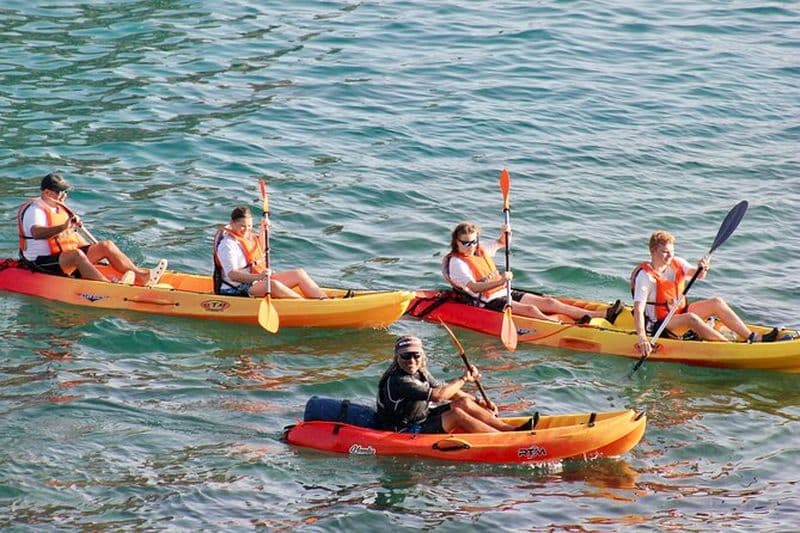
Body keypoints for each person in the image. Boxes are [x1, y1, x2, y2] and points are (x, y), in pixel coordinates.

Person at [631, 230, 778, 358]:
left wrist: (703, 267)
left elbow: (699, 275)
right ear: (653, 251)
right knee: (691, 318)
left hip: (678, 312)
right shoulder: (645, 277)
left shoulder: (677, 263)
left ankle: (752, 337)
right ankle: (730, 347)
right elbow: (638, 310)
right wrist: (642, 338)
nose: (670, 256)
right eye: (665, 252)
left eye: (672, 251)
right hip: (660, 324)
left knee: (716, 302)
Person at [442, 221, 624, 324]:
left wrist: (506, 234)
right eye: (466, 243)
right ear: (456, 242)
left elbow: (502, 243)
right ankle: (564, 325)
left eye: (474, 241)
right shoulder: (457, 263)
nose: (471, 246)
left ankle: (603, 315)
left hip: (503, 291)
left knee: (550, 302)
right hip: (487, 302)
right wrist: (500, 281)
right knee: (531, 310)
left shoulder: (480, 249)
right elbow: (473, 287)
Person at [16, 173, 167, 286]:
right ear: (47, 193)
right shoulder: (35, 211)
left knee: (106, 245)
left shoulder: (58, 206)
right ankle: (108, 287)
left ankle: (142, 277)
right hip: (40, 262)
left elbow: (72, 236)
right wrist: (63, 227)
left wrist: (94, 252)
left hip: (63, 258)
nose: (64, 196)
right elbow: (37, 233)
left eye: (65, 192)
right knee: (77, 255)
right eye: (60, 192)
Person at [376, 335, 530, 433]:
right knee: (457, 415)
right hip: (404, 429)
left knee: (463, 402)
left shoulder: (421, 371)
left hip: (422, 416)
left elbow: (448, 391)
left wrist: (479, 401)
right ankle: (501, 439)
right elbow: (439, 396)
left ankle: (509, 430)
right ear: (397, 357)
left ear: (422, 356)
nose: (411, 361)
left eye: (416, 355)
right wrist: (464, 379)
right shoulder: (399, 380)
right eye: (405, 356)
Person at [212, 206, 327, 299]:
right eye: (242, 226)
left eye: (249, 226)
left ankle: (324, 300)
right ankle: (306, 307)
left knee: (299, 274)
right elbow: (233, 275)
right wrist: (259, 277)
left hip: (255, 282)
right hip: (235, 289)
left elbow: (258, 252)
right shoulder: (227, 245)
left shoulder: (247, 236)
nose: (246, 229)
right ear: (232, 223)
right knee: (273, 285)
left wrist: (263, 229)